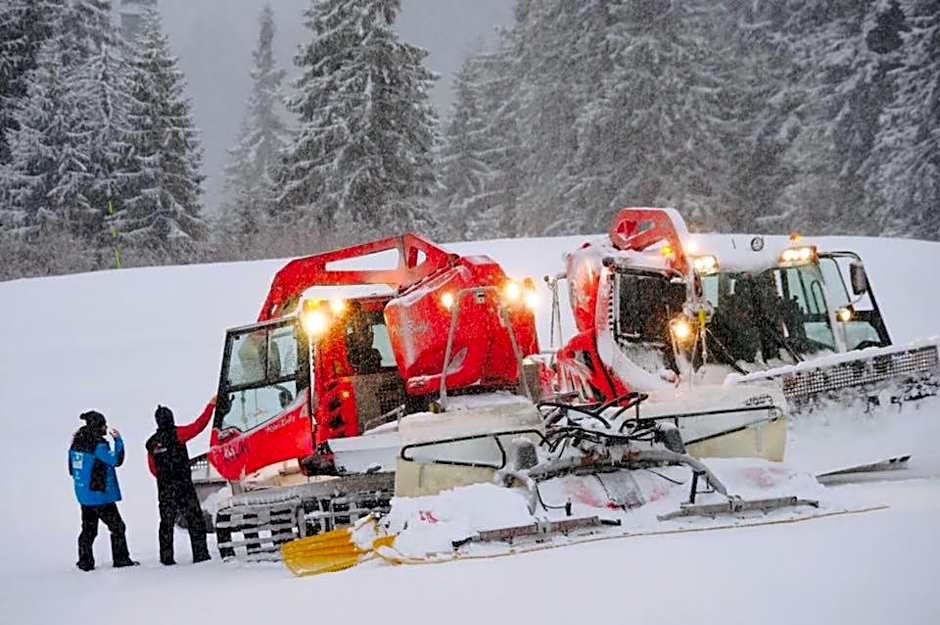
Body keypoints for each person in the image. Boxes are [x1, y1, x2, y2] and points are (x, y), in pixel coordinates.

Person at [145, 397, 216, 565]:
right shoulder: (178, 434)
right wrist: (211, 406)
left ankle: (166, 558)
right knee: (195, 519)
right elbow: (199, 426)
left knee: (166, 522)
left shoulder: (151, 443)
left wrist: (165, 479)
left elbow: (152, 469)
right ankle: (200, 555)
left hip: (164, 489)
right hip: (183, 486)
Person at [68, 411, 139, 571]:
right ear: (97, 426)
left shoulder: (76, 444)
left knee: (89, 529)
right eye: (103, 425)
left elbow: (72, 468)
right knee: (118, 527)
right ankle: (121, 559)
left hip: (84, 495)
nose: (105, 428)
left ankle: (85, 562)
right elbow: (115, 460)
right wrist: (118, 441)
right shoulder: (98, 445)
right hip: (99, 496)